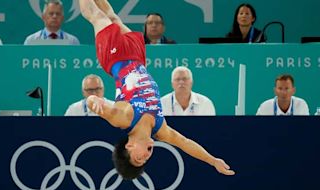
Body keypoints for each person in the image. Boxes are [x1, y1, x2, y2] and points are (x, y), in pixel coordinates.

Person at [79, 0, 234, 179]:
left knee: (96, 16)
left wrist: (95, 101)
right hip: (137, 57)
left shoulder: (124, 118)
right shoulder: (160, 128)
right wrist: (212, 160)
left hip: (115, 58)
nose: (146, 157)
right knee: (113, 16)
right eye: (145, 162)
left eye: (138, 159)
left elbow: (92, 102)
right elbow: (185, 143)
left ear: (129, 146)